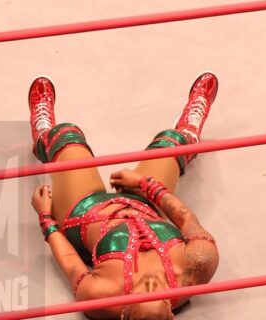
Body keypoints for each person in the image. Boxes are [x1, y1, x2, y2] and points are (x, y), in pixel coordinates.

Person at [29, 72, 219, 319]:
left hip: (84, 213)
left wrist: (46, 218)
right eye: (160, 293)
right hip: (144, 203)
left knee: (67, 137)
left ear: (124, 313)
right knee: (171, 144)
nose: (151, 284)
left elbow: (70, 262)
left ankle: (43, 137)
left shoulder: (101, 295)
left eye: (143, 292)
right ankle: (189, 131)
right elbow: (185, 218)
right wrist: (147, 184)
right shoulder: (197, 266)